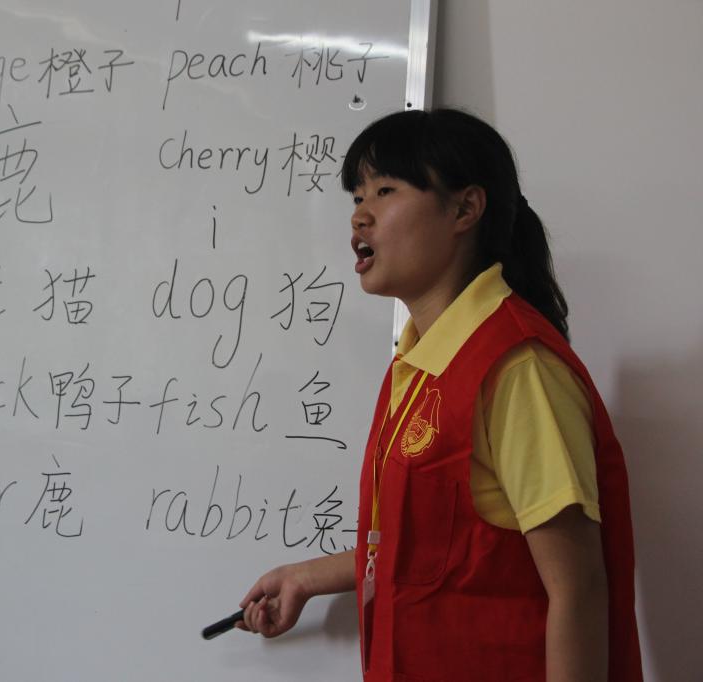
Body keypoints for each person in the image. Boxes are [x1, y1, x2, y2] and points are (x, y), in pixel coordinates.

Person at [235, 109, 642, 682]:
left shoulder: (515, 368)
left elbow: (578, 589)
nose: (360, 214)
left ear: (465, 209)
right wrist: (308, 576)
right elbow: (437, 548)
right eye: (357, 196)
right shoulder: (421, 364)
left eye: (385, 191)